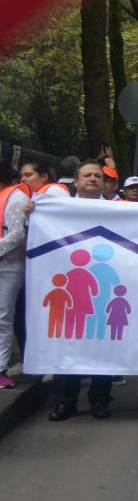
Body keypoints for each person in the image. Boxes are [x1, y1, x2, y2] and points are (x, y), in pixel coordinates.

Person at [48, 161, 119, 420]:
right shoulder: (58, 211)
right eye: (87, 175)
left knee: (103, 347)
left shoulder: (119, 211)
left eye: (97, 175)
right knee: (68, 345)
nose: (93, 178)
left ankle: (100, 400)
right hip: (71, 295)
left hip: (103, 295)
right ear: (75, 182)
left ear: (104, 182)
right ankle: (65, 402)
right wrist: (30, 211)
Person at [0, 163, 30, 390]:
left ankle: (1, 369)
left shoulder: (16, 197)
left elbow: (17, 233)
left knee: (3, 318)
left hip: (10, 266)